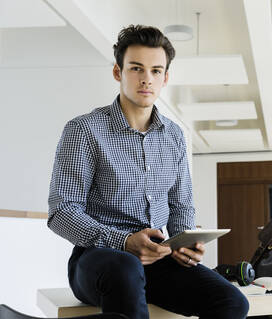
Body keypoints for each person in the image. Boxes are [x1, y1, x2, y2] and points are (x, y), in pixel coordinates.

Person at [47, 25, 249, 319]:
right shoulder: (84, 130)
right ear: (118, 72)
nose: (146, 79)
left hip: (159, 258)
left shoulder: (174, 136)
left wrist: (184, 243)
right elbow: (62, 211)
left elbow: (181, 206)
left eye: (156, 71)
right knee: (125, 267)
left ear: (165, 77)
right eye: (136, 68)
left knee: (233, 302)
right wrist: (124, 242)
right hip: (97, 260)